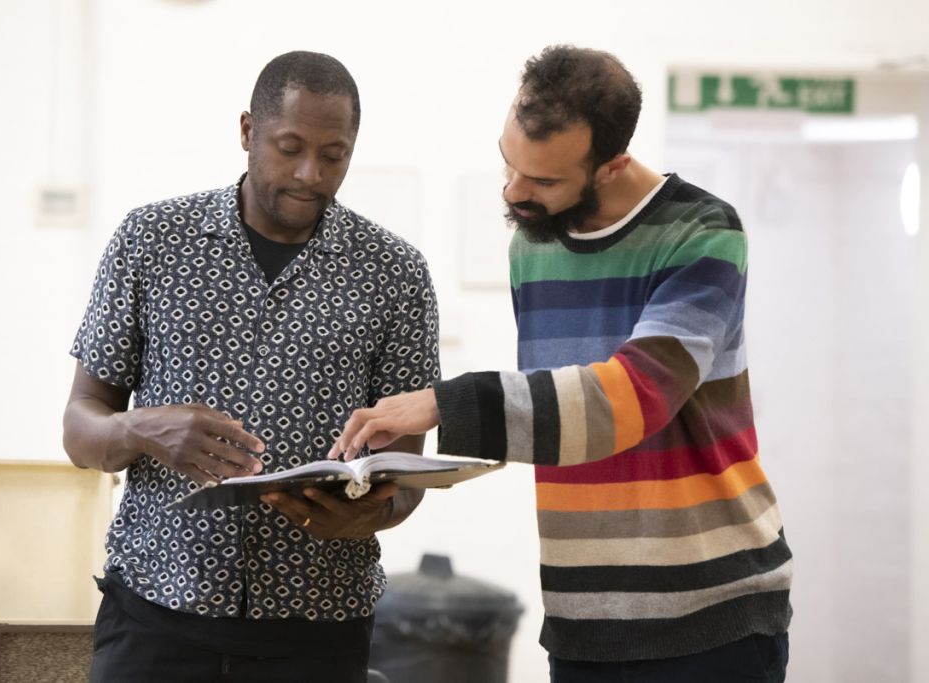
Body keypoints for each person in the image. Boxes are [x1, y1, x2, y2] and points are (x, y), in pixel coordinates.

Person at [330, 45, 791, 682]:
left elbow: (633, 401)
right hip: (581, 620)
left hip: (709, 620)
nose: (514, 192)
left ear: (611, 165)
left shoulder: (704, 232)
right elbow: (563, 419)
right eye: (507, 163)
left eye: (544, 181)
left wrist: (446, 403)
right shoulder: (533, 244)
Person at [63, 50, 440, 683]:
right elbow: (79, 428)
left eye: (333, 155)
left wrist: (370, 514)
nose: (308, 173)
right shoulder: (151, 241)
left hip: (318, 629)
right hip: (156, 614)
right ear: (247, 131)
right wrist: (140, 429)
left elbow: (404, 471)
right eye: (288, 146)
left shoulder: (395, 274)